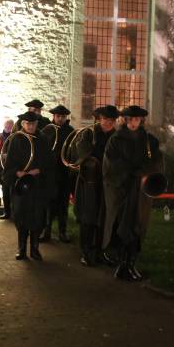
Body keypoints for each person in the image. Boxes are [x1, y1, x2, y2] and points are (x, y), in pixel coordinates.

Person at [103, 105, 163, 282]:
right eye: (130, 119)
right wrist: (129, 173)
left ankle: (131, 264)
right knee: (124, 226)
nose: (134, 123)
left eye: (137, 119)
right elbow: (111, 165)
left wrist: (146, 173)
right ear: (126, 120)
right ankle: (123, 265)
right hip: (123, 190)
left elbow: (157, 161)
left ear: (141, 121)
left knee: (138, 225)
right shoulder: (116, 140)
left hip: (141, 191)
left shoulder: (149, 140)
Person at [69, 105, 119, 267]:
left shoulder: (116, 137)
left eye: (111, 120)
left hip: (107, 184)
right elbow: (81, 153)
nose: (107, 123)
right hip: (89, 182)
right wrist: (92, 159)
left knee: (103, 219)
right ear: (99, 119)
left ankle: (100, 251)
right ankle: (86, 252)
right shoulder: (88, 134)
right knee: (88, 218)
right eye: (105, 119)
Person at [3, 111, 52, 261]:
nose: (30, 126)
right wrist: (17, 173)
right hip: (22, 186)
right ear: (23, 124)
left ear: (37, 124)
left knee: (37, 217)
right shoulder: (17, 139)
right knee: (21, 216)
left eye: (33, 124)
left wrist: (40, 170)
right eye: (27, 123)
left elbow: (49, 160)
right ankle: (21, 248)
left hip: (37, 185)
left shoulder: (42, 139)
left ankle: (35, 249)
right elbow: (9, 162)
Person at [40, 105, 75, 243]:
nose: (60, 119)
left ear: (66, 117)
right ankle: (46, 231)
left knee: (63, 204)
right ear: (53, 117)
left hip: (64, 174)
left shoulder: (70, 131)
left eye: (63, 117)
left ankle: (62, 231)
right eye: (58, 116)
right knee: (49, 203)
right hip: (50, 174)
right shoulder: (47, 131)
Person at [0, 119, 14, 219]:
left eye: (10, 126)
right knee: (5, 192)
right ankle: (7, 212)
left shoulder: (16, 136)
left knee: (13, 192)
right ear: (4, 126)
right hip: (2, 168)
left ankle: (14, 213)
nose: (8, 128)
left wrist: (8, 156)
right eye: (7, 126)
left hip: (13, 169)